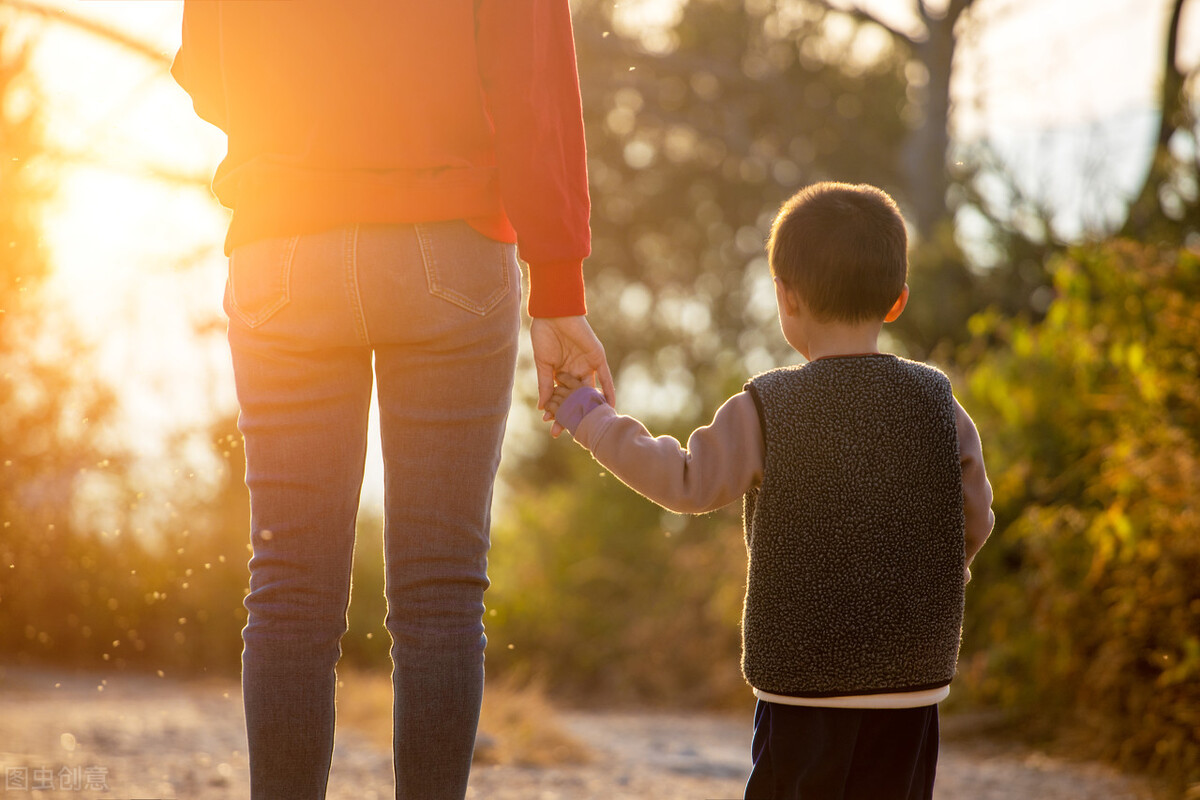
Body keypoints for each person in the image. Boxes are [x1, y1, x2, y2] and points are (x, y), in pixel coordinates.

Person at [171, 2, 613, 798]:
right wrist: (560, 288)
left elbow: (205, 67)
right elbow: (533, 79)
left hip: (284, 244)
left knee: (290, 589)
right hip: (446, 242)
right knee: (441, 591)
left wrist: (308, 133)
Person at [545, 182, 995, 800]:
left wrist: (589, 417)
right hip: (911, 687)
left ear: (785, 299)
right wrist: (938, 578)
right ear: (897, 302)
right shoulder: (937, 403)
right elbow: (973, 517)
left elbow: (683, 480)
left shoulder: (768, 406)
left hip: (804, 685)